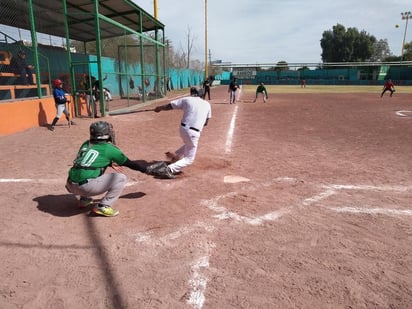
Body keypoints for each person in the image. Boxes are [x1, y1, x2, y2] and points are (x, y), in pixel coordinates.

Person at [65, 121, 150, 217]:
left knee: (89, 170)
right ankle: (103, 206)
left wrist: (109, 163)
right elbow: (129, 163)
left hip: (70, 184)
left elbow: (86, 161)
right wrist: (146, 169)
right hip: (86, 187)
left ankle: (84, 200)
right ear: (104, 135)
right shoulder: (109, 148)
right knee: (120, 178)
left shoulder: (86, 144)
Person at [153, 87, 212, 178]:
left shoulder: (187, 100)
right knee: (189, 159)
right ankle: (169, 169)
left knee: (189, 143)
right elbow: (206, 123)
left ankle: (176, 156)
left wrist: (159, 108)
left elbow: (169, 106)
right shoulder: (207, 104)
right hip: (194, 132)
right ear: (201, 94)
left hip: (182, 129)